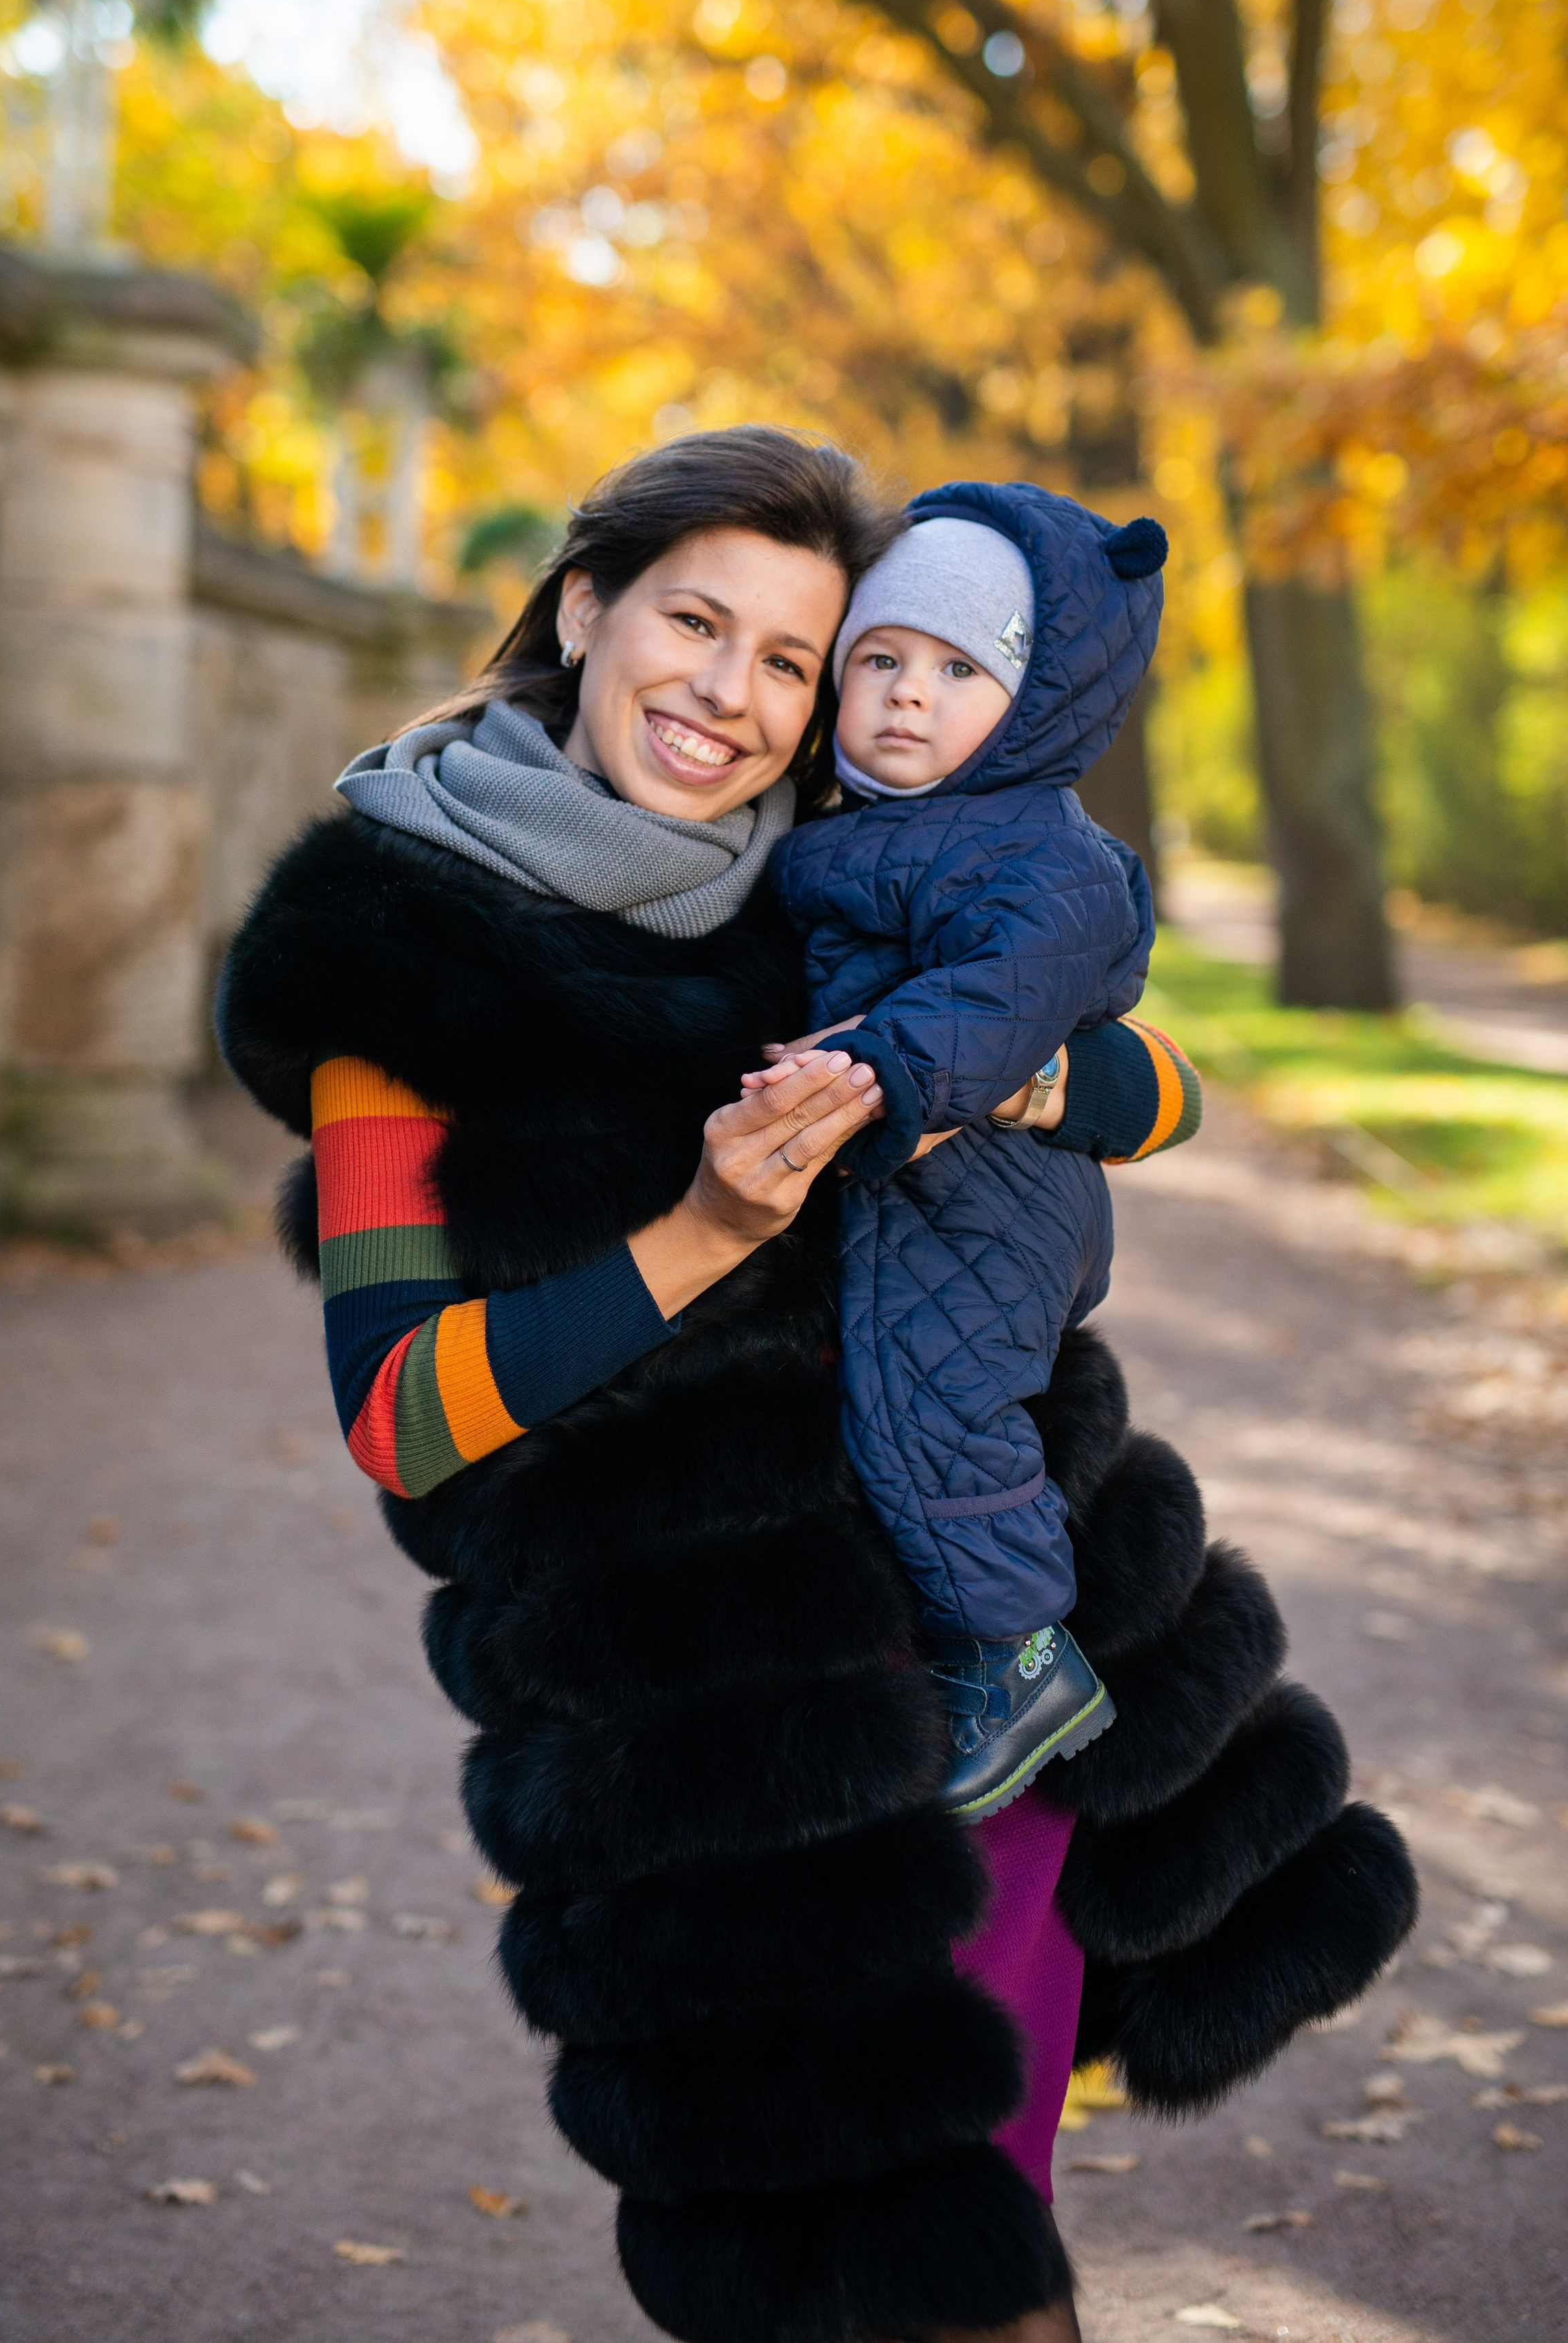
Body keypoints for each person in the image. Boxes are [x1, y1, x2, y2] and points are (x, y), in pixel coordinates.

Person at [217, 426, 1416, 2343]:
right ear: (588, 603)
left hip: (995, 1667)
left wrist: (1014, 1073)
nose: (733, 695)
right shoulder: (394, 951)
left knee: (995, 2238)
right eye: (697, 621)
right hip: (714, 1748)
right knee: (851, 2271)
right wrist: (700, 1227)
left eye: (794, 658)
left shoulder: (847, 875)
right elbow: (405, 1413)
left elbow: (1164, 1086)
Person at [766, 485, 1199, 1822]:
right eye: (878, 660)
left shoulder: (1035, 848)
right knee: (912, 1392)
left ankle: (1014, 1655)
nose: (906, 695)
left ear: (1035, 702)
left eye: (957, 670)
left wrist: (881, 1072)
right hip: (933, 1178)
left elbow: (1005, 1002)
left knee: (925, 1399)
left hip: (985, 1189)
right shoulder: (875, 827)